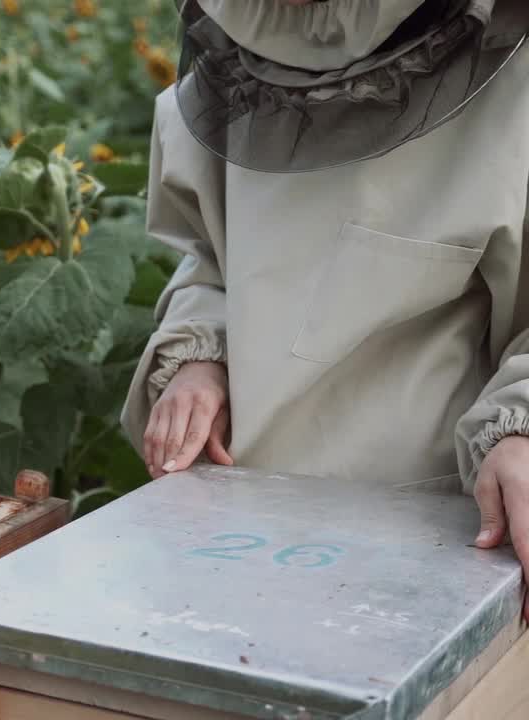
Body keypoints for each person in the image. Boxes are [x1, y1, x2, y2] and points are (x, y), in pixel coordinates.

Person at [122, 0, 529, 602]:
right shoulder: (231, 67)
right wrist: (201, 354)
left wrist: (519, 432)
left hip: (430, 546)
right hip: (227, 523)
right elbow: (210, 258)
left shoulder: (511, 88)